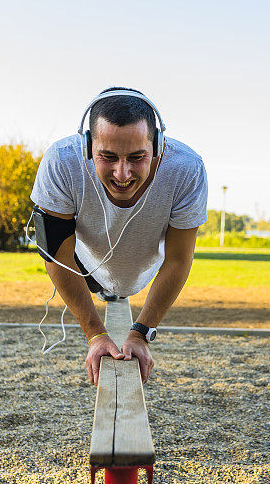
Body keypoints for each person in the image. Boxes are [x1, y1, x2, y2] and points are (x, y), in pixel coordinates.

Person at [30, 87, 207, 386]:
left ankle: (115, 286)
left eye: (137, 157)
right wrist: (95, 334)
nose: (122, 174)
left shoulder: (187, 169)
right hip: (85, 261)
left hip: (147, 263)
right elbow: (56, 255)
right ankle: (101, 283)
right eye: (107, 156)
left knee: (124, 284)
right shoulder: (61, 162)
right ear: (87, 147)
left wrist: (141, 333)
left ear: (159, 146)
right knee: (79, 262)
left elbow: (178, 259)